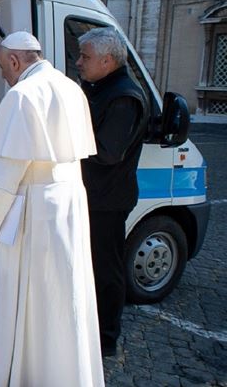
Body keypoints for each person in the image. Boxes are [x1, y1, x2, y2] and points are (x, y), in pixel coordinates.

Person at [0, 31, 104, 387]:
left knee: (13, 296)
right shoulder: (69, 87)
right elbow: (31, 147)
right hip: (65, 207)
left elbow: (6, 171)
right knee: (54, 296)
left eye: (3, 68)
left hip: (28, 211)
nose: (4, 75)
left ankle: (4, 374)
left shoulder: (21, 94)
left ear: (15, 61)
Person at [76, 27, 148, 358]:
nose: (79, 62)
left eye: (85, 57)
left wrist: (67, 139)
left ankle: (105, 339)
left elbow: (108, 151)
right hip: (90, 196)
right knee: (87, 267)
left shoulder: (124, 96)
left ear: (107, 60)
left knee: (106, 270)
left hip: (106, 201)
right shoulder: (99, 87)